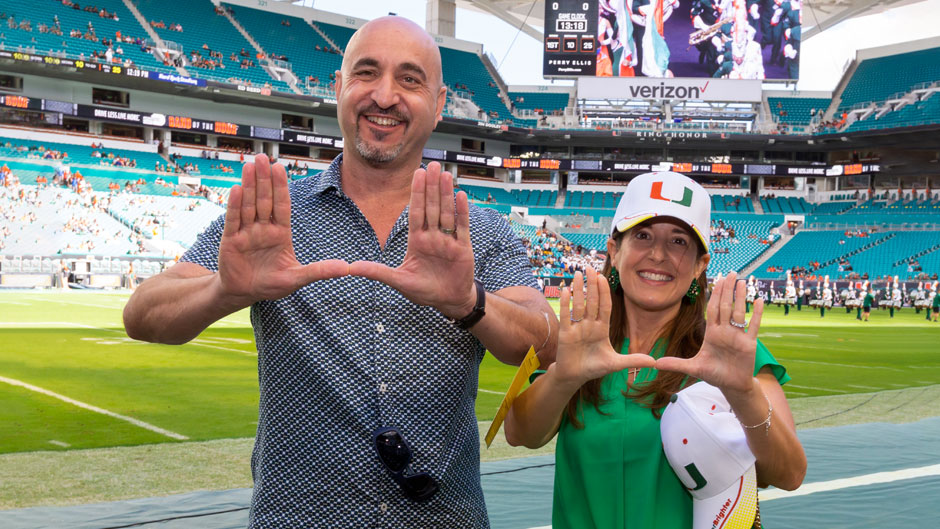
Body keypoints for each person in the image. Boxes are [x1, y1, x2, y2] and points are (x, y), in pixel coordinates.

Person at [123, 17, 557, 528]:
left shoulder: (478, 230)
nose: (385, 95)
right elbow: (142, 316)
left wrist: (469, 303)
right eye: (366, 72)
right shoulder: (273, 214)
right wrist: (224, 290)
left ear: (439, 104)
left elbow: (544, 341)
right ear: (338, 88)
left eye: (410, 79)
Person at [504, 172, 805, 528]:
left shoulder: (730, 352)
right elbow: (520, 433)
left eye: (678, 242)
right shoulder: (581, 337)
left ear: (699, 265)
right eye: (643, 236)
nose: (658, 255)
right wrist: (563, 378)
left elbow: (788, 474)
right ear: (614, 251)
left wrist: (743, 393)